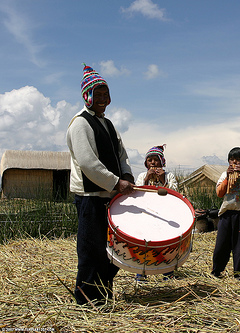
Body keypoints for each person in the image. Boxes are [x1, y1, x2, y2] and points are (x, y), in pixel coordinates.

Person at [67, 64, 135, 305]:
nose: (103, 99)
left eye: (106, 94)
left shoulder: (107, 124)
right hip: (90, 198)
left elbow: (121, 155)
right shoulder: (80, 123)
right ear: (87, 95)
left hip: (110, 197)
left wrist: (127, 177)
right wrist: (116, 182)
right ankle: (86, 301)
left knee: (110, 252)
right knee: (91, 251)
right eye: (98, 94)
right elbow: (87, 163)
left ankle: (103, 297)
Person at [211, 147, 240, 279]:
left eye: (238, 160)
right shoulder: (224, 175)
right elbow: (219, 193)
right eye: (232, 160)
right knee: (221, 244)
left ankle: (239, 273)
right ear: (228, 161)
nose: (235, 163)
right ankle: (216, 271)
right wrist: (227, 177)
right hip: (226, 213)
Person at [135, 144, 178, 282]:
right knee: (144, 243)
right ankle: (141, 273)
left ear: (162, 162)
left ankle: (167, 272)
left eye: (156, 160)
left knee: (165, 243)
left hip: (165, 215)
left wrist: (163, 180)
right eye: (150, 160)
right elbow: (137, 193)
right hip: (147, 214)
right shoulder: (142, 175)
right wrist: (147, 180)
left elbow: (175, 193)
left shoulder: (169, 175)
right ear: (146, 163)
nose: (153, 163)